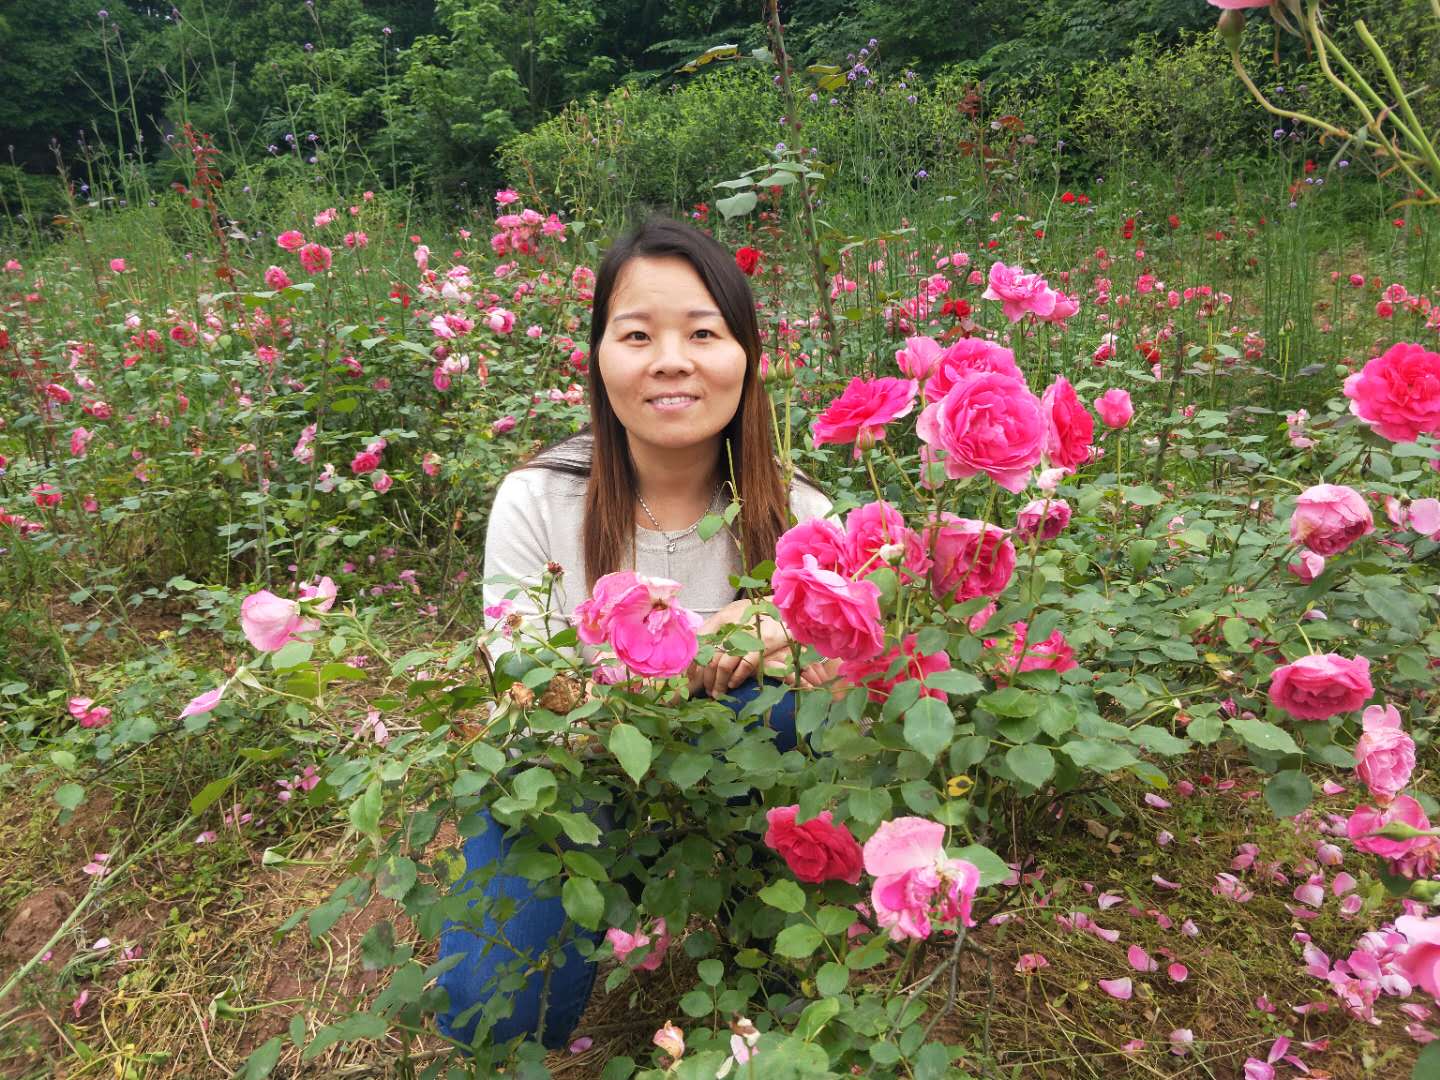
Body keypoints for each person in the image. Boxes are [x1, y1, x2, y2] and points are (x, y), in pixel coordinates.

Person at [436, 216, 841, 1053]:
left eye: (703, 332)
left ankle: (761, 940)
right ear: (599, 358)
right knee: (500, 1014)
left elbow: (844, 688)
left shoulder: (799, 517)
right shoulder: (538, 501)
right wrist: (708, 642)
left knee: (794, 714)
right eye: (637, 334)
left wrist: (803, 654)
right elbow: (522, 687)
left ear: (748, 357)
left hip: (727, 770)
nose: (671, 360)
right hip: (567, 769)